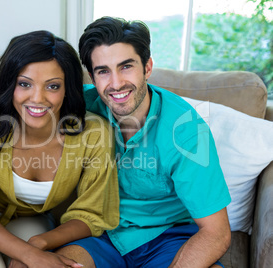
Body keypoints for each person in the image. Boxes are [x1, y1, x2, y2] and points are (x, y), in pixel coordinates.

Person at [0, 30, 119, 268]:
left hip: (30, 220)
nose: (37, 98)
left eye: (52, 86)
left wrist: (39, 244)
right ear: (11, 83)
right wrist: (30, 255)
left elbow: (92, 214)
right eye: (25, 84)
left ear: (68, 88)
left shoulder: (94, 133)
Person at [55, 17, 232, 267]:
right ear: (92, 79)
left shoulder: (187, 131)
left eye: (126, 66)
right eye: (103, 71)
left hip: (167, 237)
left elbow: (217, 232)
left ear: (147, 67)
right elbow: (20, 104)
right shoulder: (81, 105)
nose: (116, 83)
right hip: (99, 234)